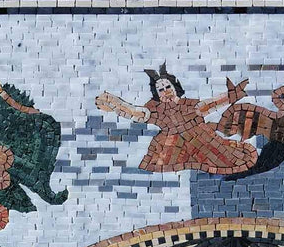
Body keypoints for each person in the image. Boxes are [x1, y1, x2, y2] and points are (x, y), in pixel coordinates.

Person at [95, 64, 257, 176]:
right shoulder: (154, 110)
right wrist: (113, 102)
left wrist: (232, 95)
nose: (165, 91)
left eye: (167, 87)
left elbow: (210, 104)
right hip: (172, 147)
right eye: (160, 89)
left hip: (202, 139)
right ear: (156, 94)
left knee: (226, 159)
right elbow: (133, 112)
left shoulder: (189, 105)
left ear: (175, 87)